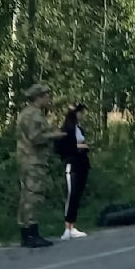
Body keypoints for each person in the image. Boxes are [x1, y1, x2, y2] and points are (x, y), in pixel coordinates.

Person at [16, 83, 66, 248]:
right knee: (33, 196)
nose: (48, 98)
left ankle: (26, 232)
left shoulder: (25, 113)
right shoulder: (35, 115)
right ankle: (32, 233)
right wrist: (55, 135)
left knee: (26, 195)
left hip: (25, 159)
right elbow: (36, 138)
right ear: (39, 97)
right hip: (34, 160)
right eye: (46, 95)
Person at [57, 102, 90, 239]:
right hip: (72, 164)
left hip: (82, 163)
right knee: (71, 195)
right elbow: (61, 147)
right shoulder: (67, 128)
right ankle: (67, 227)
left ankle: (73, 225)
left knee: (77, 195)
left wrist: (85, 146)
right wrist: (77, 147)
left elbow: (82, 144)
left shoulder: (79, 128)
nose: (82, 115)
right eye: (80, 112)